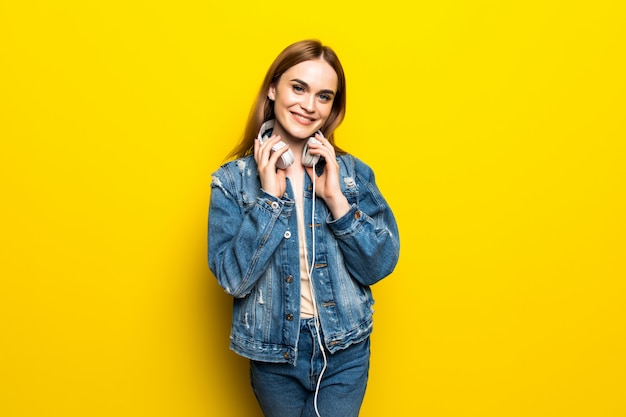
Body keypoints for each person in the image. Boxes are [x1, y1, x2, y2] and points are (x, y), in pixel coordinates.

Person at [208, 39, 400, 417]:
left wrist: (337, 202)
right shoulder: (231, 182)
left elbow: (379, 265)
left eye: (323, 96)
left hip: (344, 347)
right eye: (299, 88)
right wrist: (269, 200)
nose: (309, 105)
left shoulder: (351, 175)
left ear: (332, 107)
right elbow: (233, 279)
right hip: (274, 353)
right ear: (273, 89)